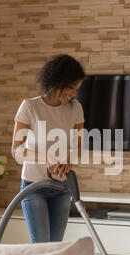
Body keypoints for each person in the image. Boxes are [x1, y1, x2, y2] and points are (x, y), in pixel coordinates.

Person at [11, 54, 85, 243]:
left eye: (76, 89)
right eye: (71, 87)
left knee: (55, 248)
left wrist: (68, 160)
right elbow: (17, 151)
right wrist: (48, 158)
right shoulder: (29, 107)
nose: (74, 93)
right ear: (58, 81)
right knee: (42, 246)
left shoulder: (75, 108)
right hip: (33, 186)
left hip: (61, 187)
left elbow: (77, 146)